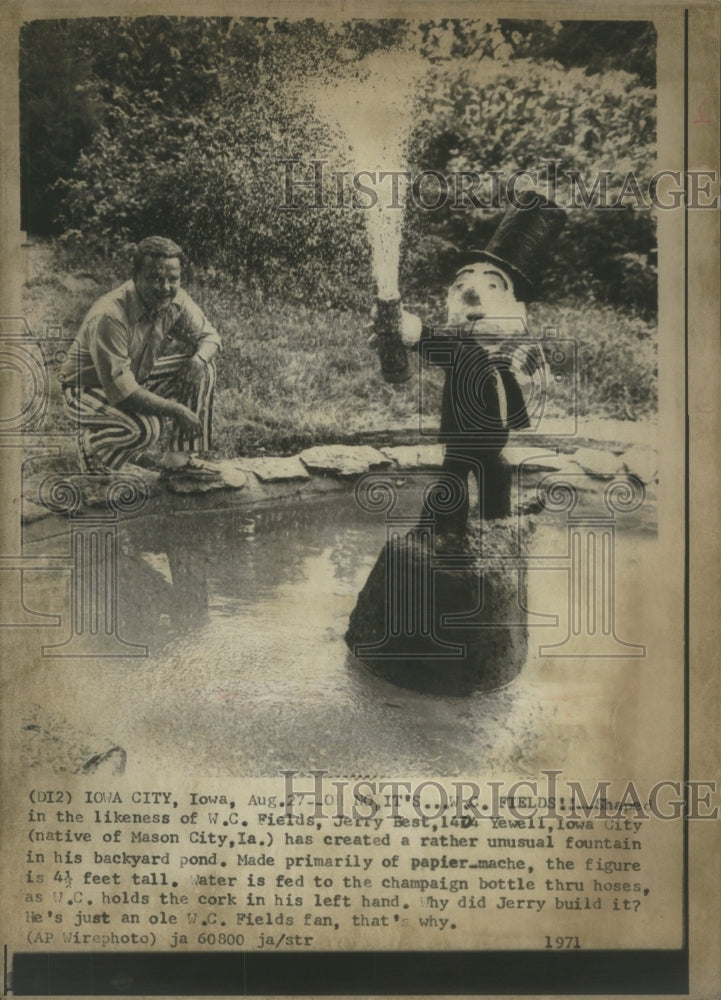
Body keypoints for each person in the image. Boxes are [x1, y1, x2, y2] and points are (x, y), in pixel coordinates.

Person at [396, 191, 567, 534]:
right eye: (463, 287)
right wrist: (408, 327)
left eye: (492, 287)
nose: (472, 297)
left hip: (493, 439)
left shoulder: (509, 345)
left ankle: (495, 528)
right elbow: (427, 337)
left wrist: (538, 373)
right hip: (464, 437)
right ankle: (437, 530)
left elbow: (526, 371)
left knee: (496, 474)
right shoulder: (460, 346)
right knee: (453, 478)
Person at [58, 236, 221, 476]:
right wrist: (177, 410)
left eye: (173, 279)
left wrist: (198, 360)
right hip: (84, 390)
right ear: (136, 277)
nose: (165, 287)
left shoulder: (175, 299)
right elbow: (124, 394)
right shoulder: (110, 315)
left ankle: (179, 461)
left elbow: (210, 338)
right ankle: (91, 448)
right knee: (146, 429)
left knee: (203, 366)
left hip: (132, 378)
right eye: (155, 278)